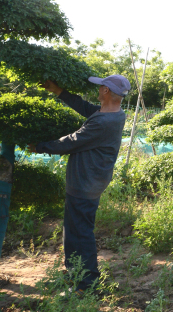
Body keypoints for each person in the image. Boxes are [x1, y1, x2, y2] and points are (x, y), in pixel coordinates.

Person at [30, 74, 130, 293]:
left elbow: (72, 141)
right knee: (73, 230)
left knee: (80, 233)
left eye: (100, 86)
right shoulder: (113, 113)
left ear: (105, 91)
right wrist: (58, 91)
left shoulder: (104, 122)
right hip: (89, 179)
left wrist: (40, 146)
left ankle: (88, 285)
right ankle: (75, 274)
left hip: (86, 182)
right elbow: (86, 107)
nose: (97, 89)